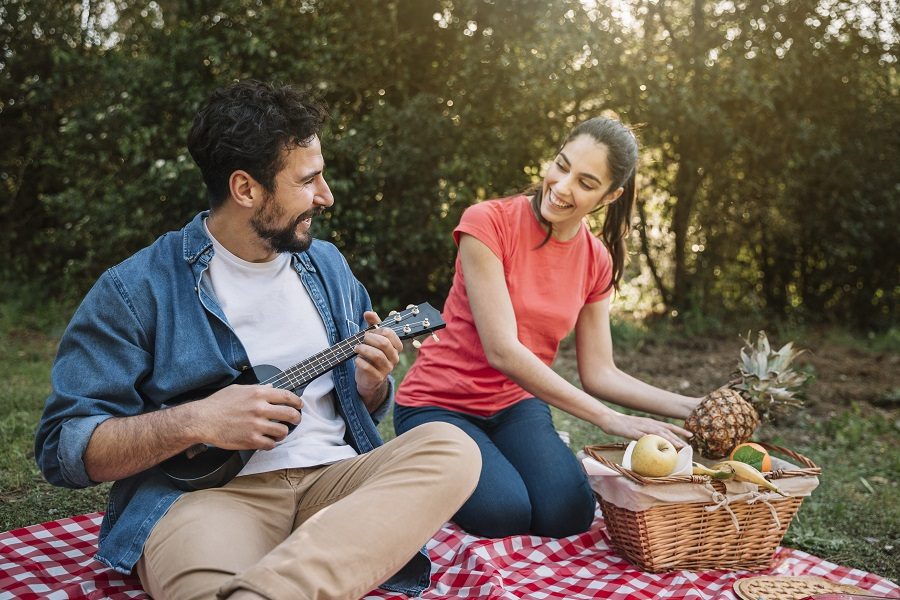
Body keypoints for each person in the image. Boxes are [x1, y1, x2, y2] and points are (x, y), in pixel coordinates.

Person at [34, 80, 481, 600]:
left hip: (333, 483)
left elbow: (360, 407)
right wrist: (196, 420)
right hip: (212, 500)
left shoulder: (328, 266)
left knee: (450, 447)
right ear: (246, 189)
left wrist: (367, 384)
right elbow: (63, 447)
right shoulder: (136, 290)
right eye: (308, 179)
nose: (326, 196)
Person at [393, 116, 701, 539]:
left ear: (609, 196)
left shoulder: (596, 260)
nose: (561, 185)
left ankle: (506, 459)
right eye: (562, 165)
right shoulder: (487, 223)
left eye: (586, 182)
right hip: (438, 405)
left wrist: (693, 406)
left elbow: (600, 372)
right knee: (505, 514)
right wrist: (610, 420)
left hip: (516, 406)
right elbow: (502, 349)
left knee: (568, 513)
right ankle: (418, 463)